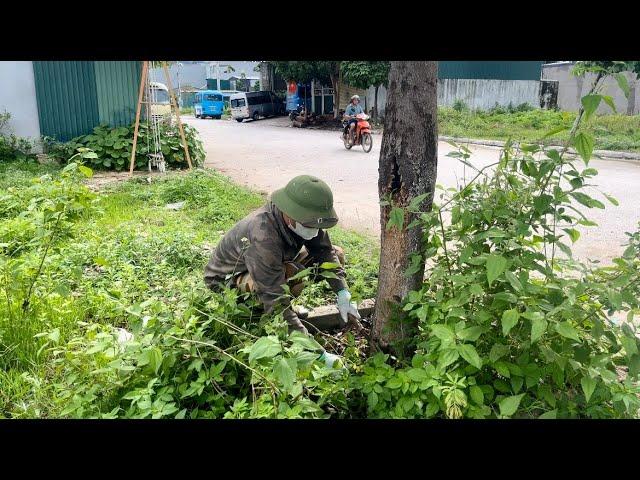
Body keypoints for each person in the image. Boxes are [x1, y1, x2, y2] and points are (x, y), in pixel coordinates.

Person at [204, 175, 361, 368]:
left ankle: (288, 316)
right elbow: (275, 298)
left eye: (317, 226)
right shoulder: (263, 235)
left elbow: (324, 252)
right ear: (290, 215)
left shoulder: (304, 220)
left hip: (268, 264)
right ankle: (260, 316)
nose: (315, 231)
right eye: (310, 226)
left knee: (336, 254)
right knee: (290, 276)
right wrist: (316, 354)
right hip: (226, 281)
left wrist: (342, 291)